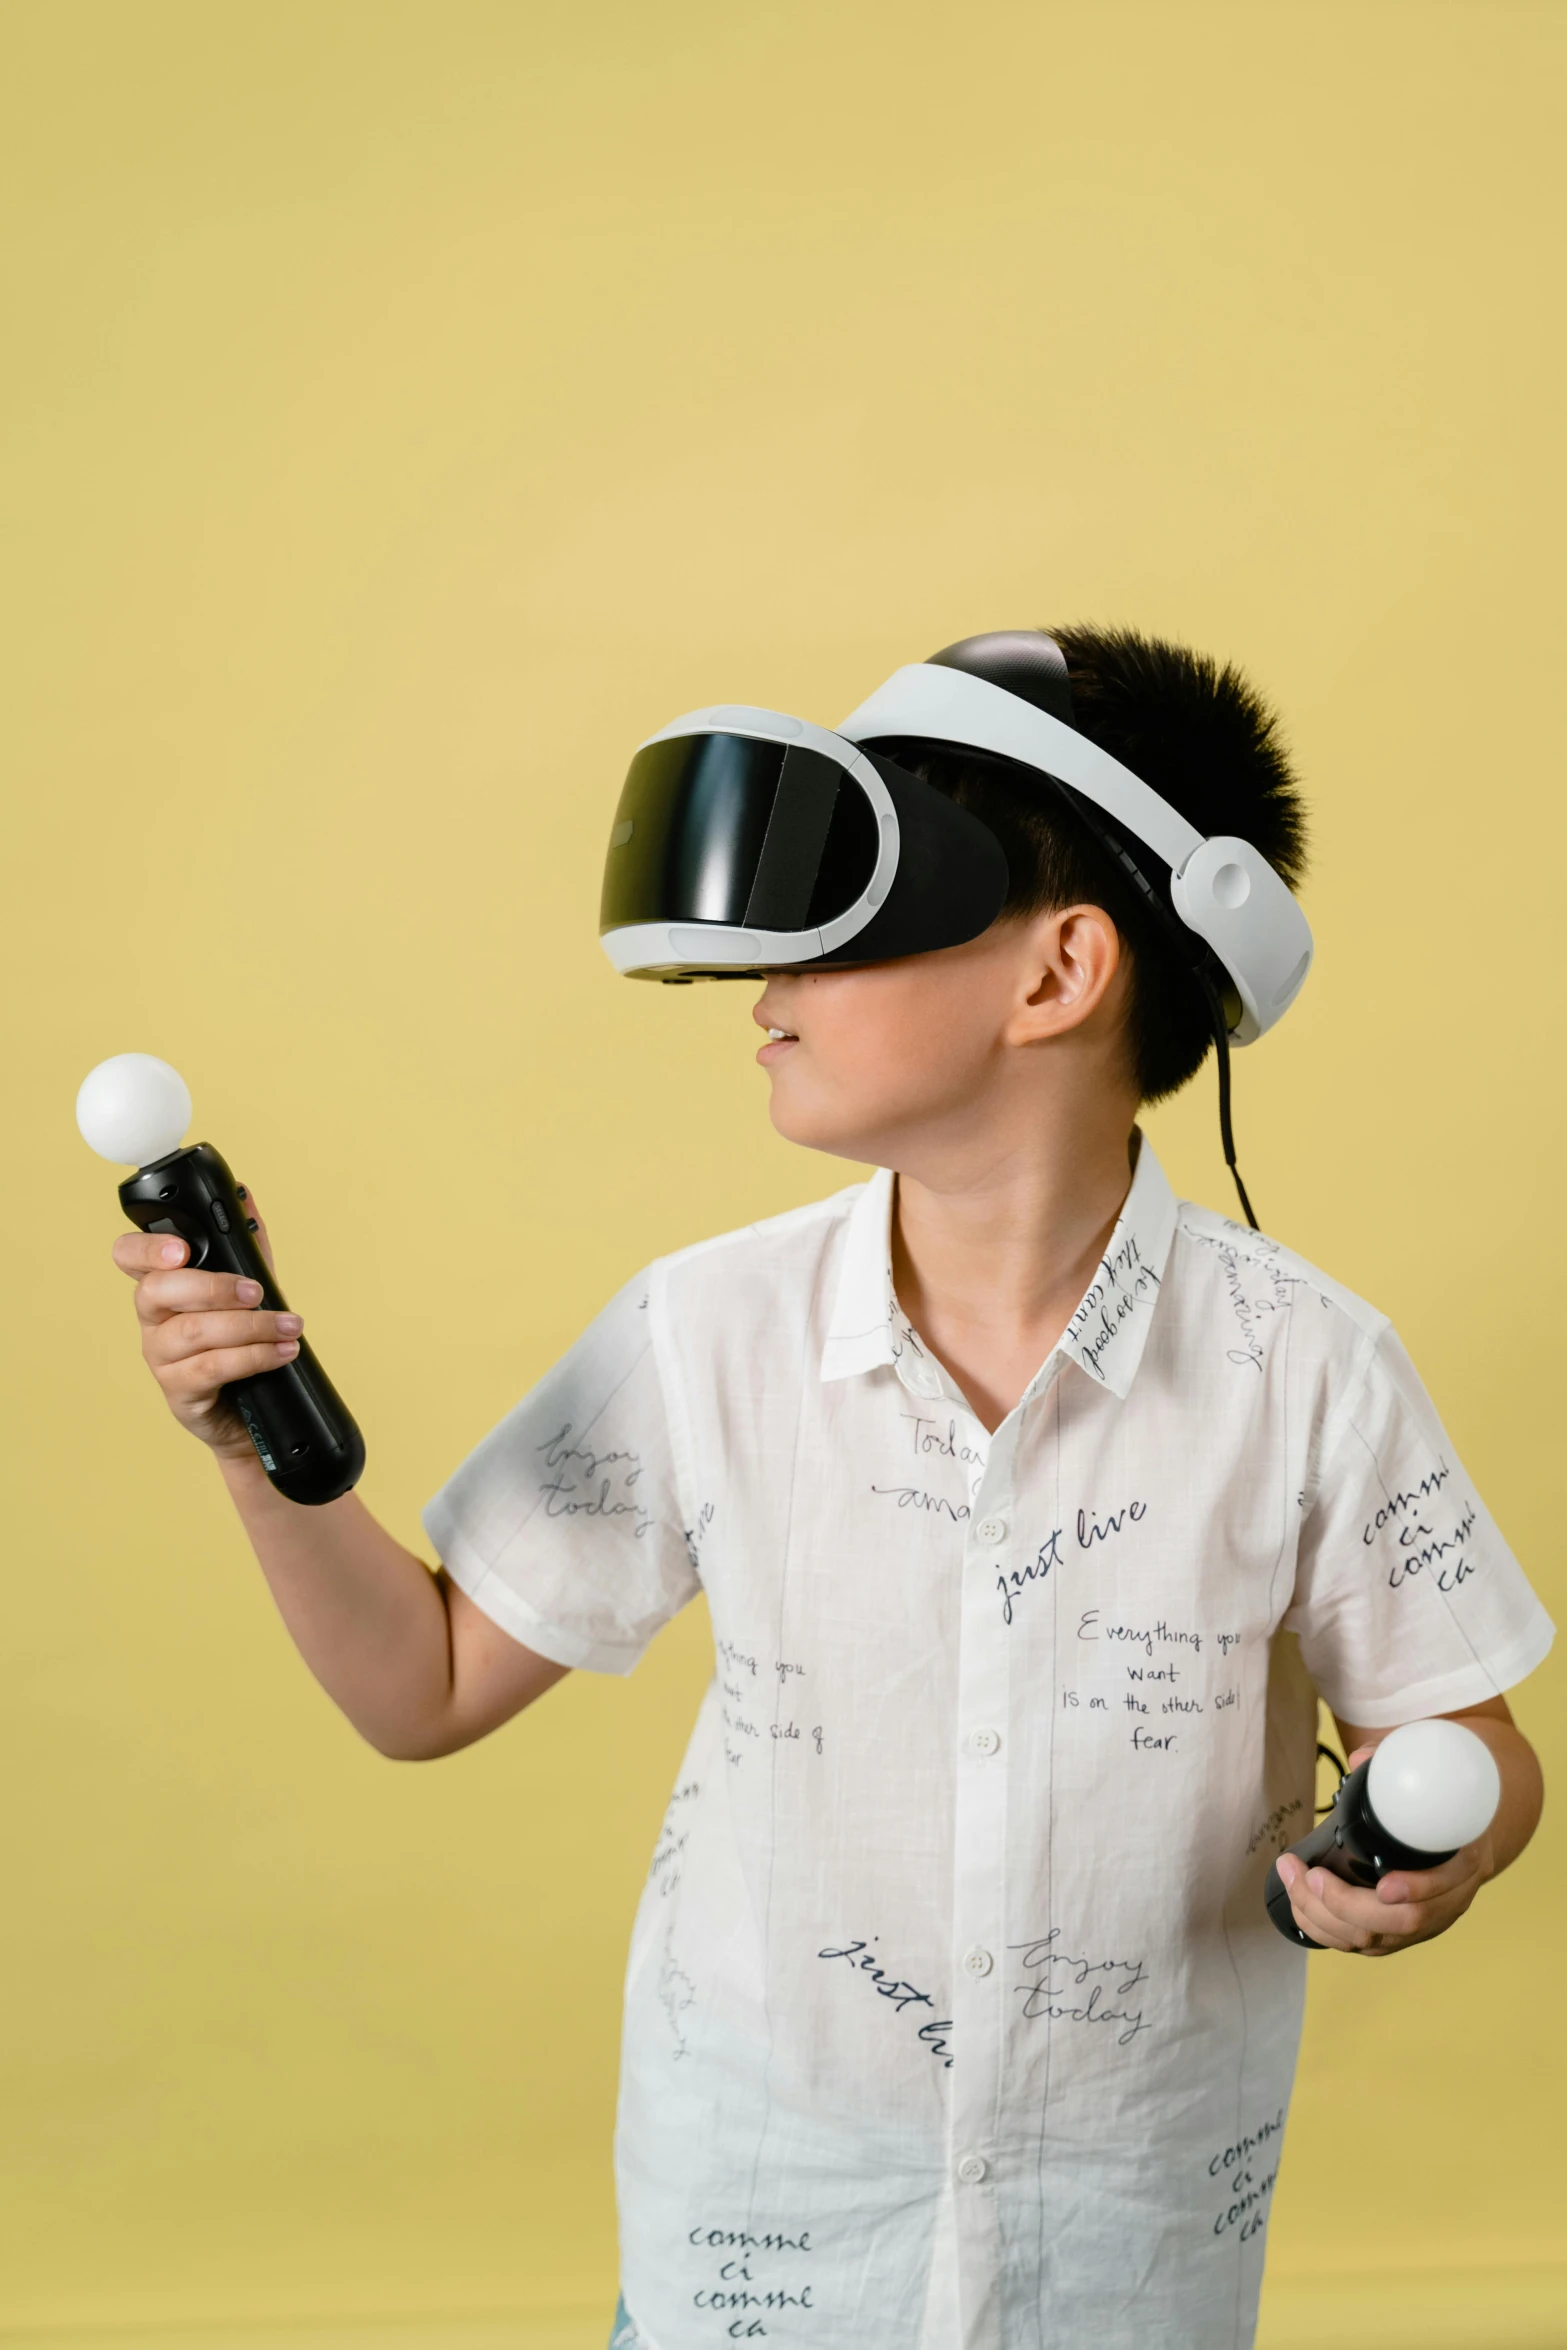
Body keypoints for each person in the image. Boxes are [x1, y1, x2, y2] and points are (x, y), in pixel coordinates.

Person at [110, 625, 1551, 2350]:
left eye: (847, 932)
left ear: (1056, 973)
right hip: (756, 2246)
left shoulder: (1307, 1365)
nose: (768, 988)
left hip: (1129, 2253)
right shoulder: (703, 1327)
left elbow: (1467, 1745)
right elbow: (419, 1689)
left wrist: (1420, 1856)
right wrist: (255, 1448)